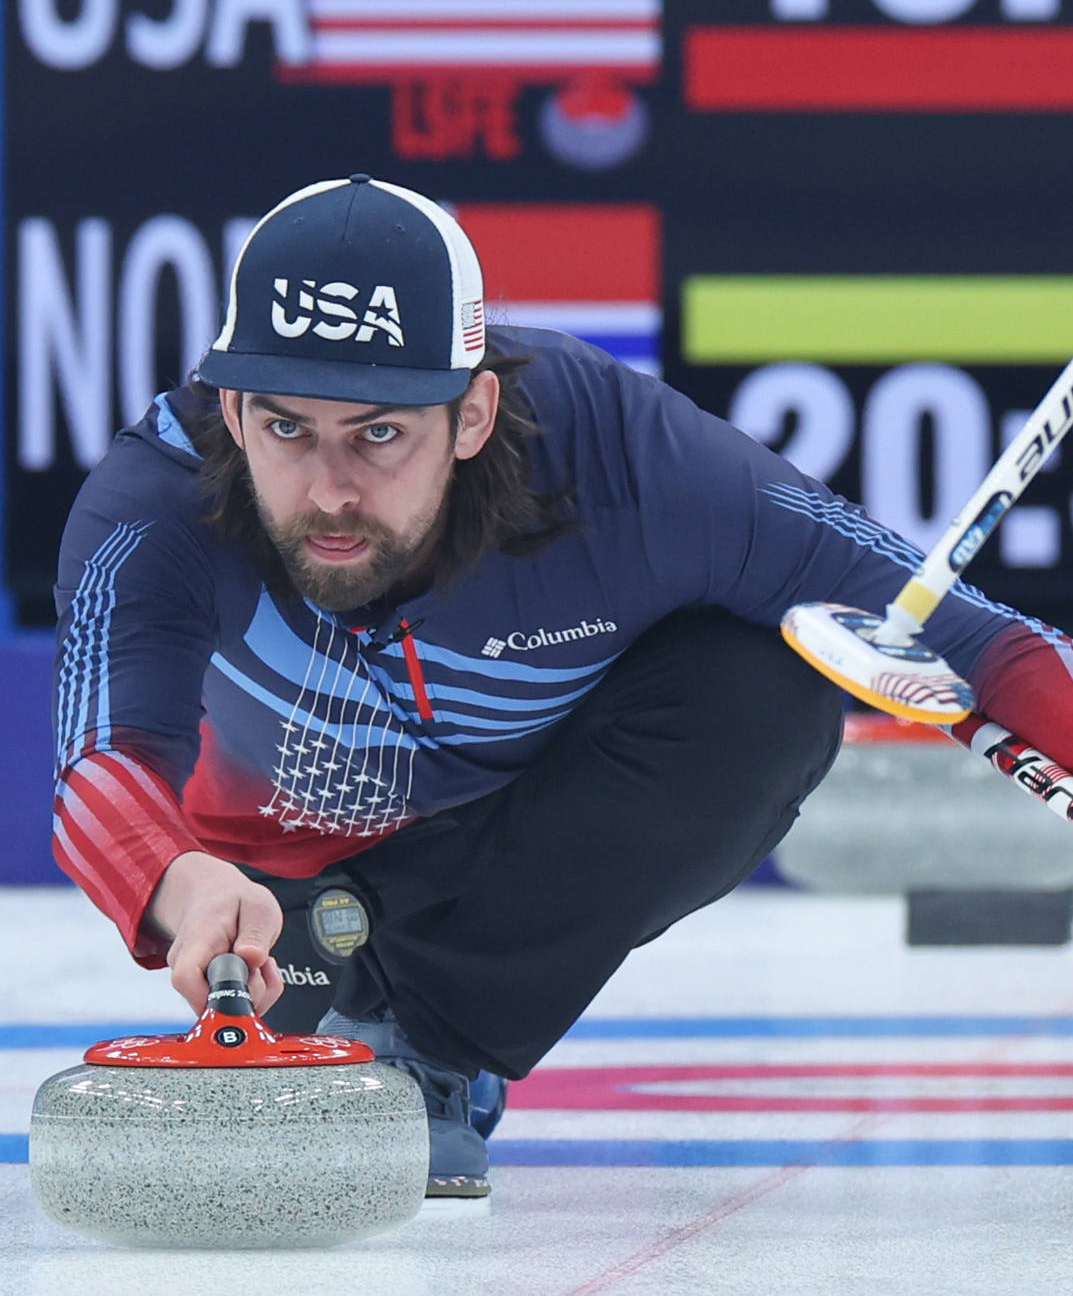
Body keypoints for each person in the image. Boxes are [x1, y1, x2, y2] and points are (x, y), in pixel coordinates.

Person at [52, 173, 1073, 1200]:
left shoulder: (620, 454)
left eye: (378, 432)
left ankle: (431, 1042)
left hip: (514, 857)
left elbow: (964, 633)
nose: (329, 489)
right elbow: (96, 758)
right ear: (232, 408)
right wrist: (181, 881)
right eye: (285, 429)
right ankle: (364, 993)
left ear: (472, 412)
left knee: (766, 684)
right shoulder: (156, 500)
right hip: (277, 915)